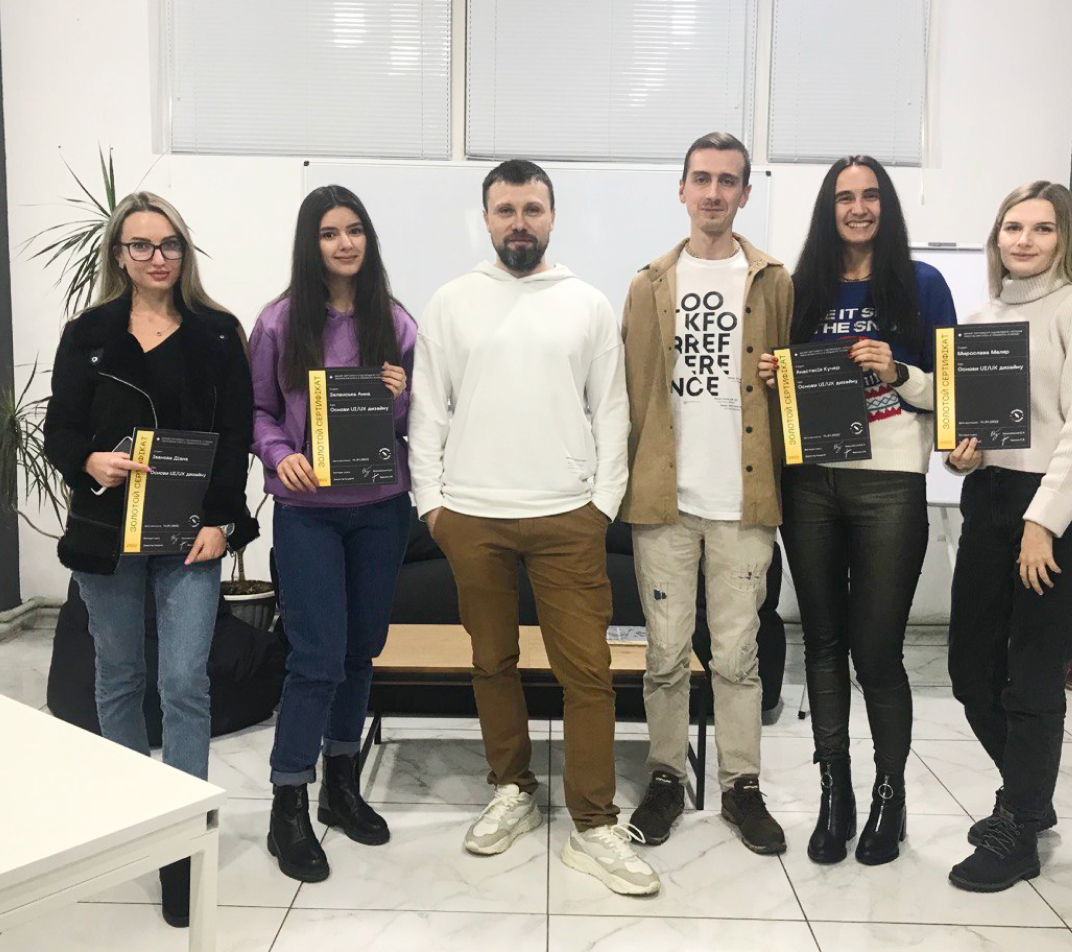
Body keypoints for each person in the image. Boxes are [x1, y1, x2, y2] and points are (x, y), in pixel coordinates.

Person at [408, 159, 658, 896]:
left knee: (588, 674)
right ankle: (512, 788)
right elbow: (428, 410)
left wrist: (601, 504)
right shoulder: (451, 303)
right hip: (472, 515)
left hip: (566, 516)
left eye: (532, 209)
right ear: (486, 218)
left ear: (552, 216)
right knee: (492, 662)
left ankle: (594, 824)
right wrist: (433, 506)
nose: (519, 222)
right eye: (506, 210)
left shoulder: (585, 303)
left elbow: (612, 410)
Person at [43, 191, 257, 927]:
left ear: (184, 250)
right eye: (141, 245)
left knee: (184, 682)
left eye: (169, 244)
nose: (157, 258)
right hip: (106, 531)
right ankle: (139, 819)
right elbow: (59, 430)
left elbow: (235, 437)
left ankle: (181, 841)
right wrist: (89, 462)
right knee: (120, 677)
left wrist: (223, 521)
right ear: (119, 255)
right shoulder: (89, 334)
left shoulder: (219, 334)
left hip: (189, 533)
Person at [758, 155, 957, 866]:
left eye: (871, 195)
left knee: (876, 652)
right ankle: (834, 794)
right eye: (845, 197)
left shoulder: (922, 284)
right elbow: (785, 384)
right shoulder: (799, 288)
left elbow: (952, 392)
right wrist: (773, 374)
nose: (858, 207)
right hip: (810, 480)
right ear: (829, 209)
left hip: (889, 483)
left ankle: (889, 798)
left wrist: (898, 371)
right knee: (822, 643)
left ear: (886, 205)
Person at [621, 132, 792, 854]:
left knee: (738, 655)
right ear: (683, 189)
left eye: (728, 180)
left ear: (745, 193)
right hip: (665, 501)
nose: (714, 192)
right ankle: (665, 778)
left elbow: (795, 388)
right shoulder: (648, 284)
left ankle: (740, 786)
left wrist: (784, 382)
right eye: (702, 178)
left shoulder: (774, 282)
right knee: (664, 655)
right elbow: (629, 394)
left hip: (743, 502)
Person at [944, 182, 1072, 892]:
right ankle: (1030, 796)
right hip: (989, 499)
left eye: (1041, 229)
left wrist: (1041, 523)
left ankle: (1017, 826)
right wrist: (963, 453)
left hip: (1055, 510)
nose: (1023, 240)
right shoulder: (983, 317)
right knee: (969, 670)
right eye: (1012, 227)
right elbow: (981, 426)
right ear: (997, 237)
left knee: (1034, 676)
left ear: (1063, 237)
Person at [249, 185, 416, 884]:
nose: (344, 243)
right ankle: (288, 799)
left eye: (354, 231)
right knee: (315, 656)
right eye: (328, 233)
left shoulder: (396, 322)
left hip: (381, 510)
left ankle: (341, 784)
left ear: (368, 239)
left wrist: (400, 395)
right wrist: (278, 452)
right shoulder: (279, 321)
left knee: (359, 652)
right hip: (309, 511)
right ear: (310, 244)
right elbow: (258, 409)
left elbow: (409, 426)